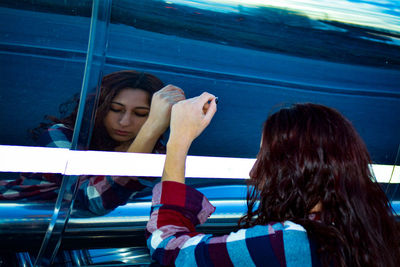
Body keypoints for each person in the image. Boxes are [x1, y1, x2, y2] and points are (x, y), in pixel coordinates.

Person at [146, 94, 399, 266]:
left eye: (265, 158)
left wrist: (178, 141)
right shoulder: (380, 231)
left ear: (299, 168)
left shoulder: (286, 243)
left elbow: (167, 248)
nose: (254, 172)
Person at [0, 70, 185, 215]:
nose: (124, 122)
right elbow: (93, 199)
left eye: (141, 114)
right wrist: (150, 128)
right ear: (99, 107)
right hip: (15, 225)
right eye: (115, 109)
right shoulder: (60, 137)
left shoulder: (156, 156)